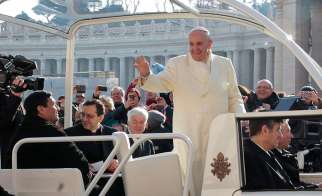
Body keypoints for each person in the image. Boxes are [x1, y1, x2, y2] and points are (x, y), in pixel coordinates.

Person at [134, 26, 245, 194]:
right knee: (189, 176)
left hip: (217, 131)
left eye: (199, 44)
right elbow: (160, 83)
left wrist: (239, 119)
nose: (195, 48)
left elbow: (234, 97)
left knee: (218, 176)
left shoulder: (225, 64)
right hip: (188, 131)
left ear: (210, 44)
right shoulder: (176, 64)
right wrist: (146, 74)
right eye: (191, 44)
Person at [7, 91, 91, 185]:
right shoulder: (52, 132)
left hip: (19, 187)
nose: (58, 108)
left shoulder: (16, 132)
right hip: (58, 188)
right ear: (41, 109)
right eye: (54, 105)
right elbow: (79, 162)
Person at [243, 118, 295, 190]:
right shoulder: (248, 157)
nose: (281, 136)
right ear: (265, 130)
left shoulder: (267, 152)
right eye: (278, 130)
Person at [271, 121, 322, 189]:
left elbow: (295, 183)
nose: (292, 136)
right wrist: (316, 187)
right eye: (288, 131)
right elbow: (290, 187)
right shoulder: (273, 158)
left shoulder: (285, 154)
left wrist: (316, 186)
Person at [0, 77, 26, 168]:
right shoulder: (11, 97)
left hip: (14, 155)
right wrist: (15, 97)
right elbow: (3, 121)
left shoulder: (9, 95)